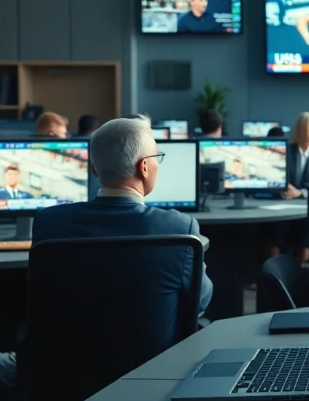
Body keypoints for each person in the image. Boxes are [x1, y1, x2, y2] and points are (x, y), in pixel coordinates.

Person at [33, 115, 213, 312]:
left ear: (94, 169)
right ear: (144, 167)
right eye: (156, 158)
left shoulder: (47, 222)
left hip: (69, 333)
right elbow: (201, 300)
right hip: (153, 334)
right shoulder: (180, 228)